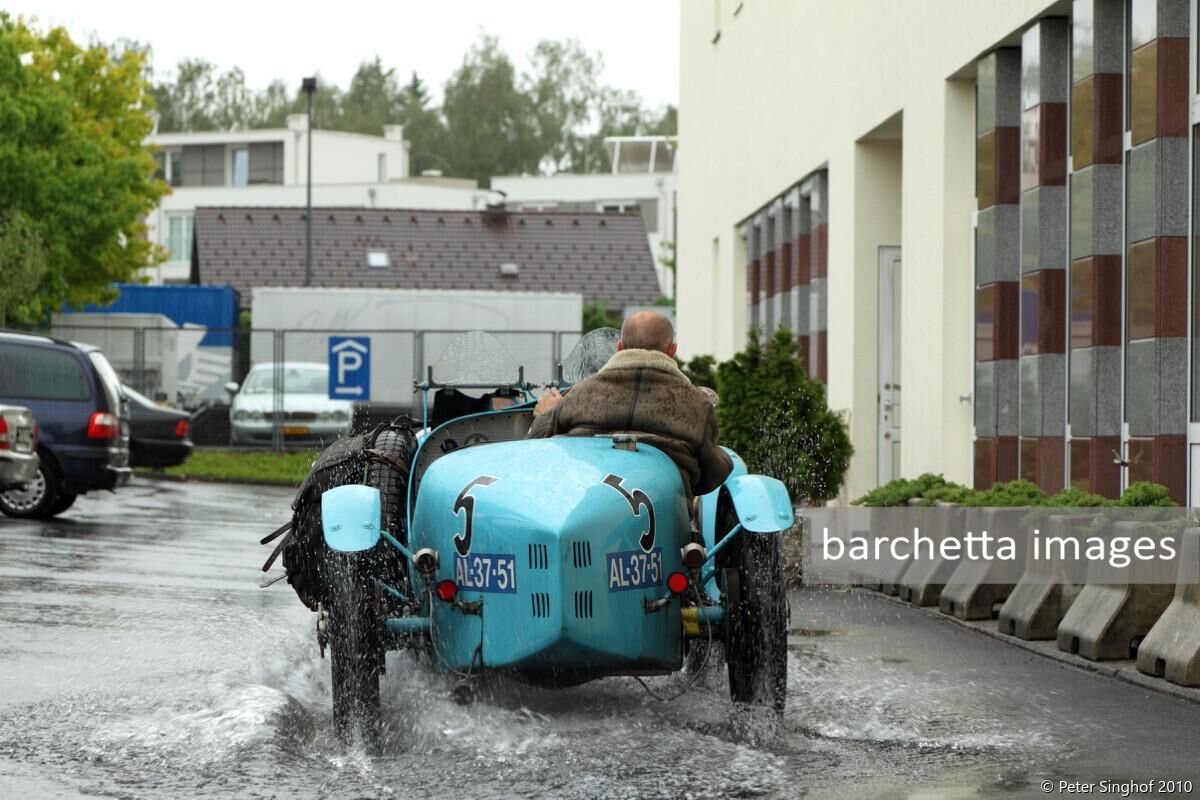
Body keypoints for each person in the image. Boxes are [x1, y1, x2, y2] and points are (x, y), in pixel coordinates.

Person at [527, 311, 733, 499]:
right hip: (667, 520)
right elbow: (711, 476)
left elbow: (536, 446)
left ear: (619, 347)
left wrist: (546, 414)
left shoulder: (580, 393)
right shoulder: (695, 404)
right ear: (672, 351)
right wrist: (726, 459)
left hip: (586, 503)